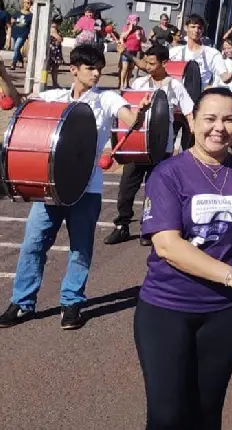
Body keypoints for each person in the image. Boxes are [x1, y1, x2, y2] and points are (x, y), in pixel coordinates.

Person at [134, 87, 232, 428]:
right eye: (210, 118)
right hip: (168, 308)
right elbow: (167, 245)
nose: (218, 127)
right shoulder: (169, 173)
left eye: (229, 119)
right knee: (167, 416)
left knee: (206, 413)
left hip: (228, 313)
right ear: (192, 121)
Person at [0, 45, 149, 330]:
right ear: (74, 70)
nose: (96, 73)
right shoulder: (54, 96)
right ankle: (22, 303)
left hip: (87, 188)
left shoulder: (106, 98)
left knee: (80, 249)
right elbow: (19, 103)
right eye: (91, 68)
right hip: (52, 186)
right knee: (33, 244)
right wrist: (4, 73)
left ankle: (72, 303)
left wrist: (140, 114)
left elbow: (130, 119)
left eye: (99, 68)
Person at [105, 43, 195, 246]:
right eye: (146, 61)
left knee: (155, 190)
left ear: (165, 63)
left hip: (161, 147)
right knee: (127, 187)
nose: (147, 66)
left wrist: (194, 134)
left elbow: (189, 112)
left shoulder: (174, 86)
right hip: (137, 144)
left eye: (152, 63)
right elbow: (125, 111)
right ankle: (122, 227)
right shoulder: (138, 83)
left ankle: (149, 229)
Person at [119, 15, 146, 89]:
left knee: (131, 68)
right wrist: (129, 30)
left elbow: (144, 40)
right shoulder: (126, 28)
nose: (136, 22)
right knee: (125, 68)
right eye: (134, 20)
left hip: (136, 51)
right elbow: (122, 37)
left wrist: (140, 36)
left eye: (137, 20)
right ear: (130, 21)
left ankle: (127, 83)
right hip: (126, 50)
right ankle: (122, 84)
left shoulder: (140, 29)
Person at [9, 0, 32, 70]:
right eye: (28, 3)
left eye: (30, 3)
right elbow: (11, 20)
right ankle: (21, 60)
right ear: (24, 3)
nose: (29, 4)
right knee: (16, 49)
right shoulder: (17, 13)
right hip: (15, 33)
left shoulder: (31, 15)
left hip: (23, 34)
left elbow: (31, 27)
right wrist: (13, 21)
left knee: (16, 47)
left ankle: (13, 63)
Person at [48, 15, 64, 88]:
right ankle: (53, 83)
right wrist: (60, 38)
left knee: (55, 68)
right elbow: (59, 38)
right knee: (52, 68)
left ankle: (55, 83)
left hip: (56, 50)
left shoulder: (55, 29)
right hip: (52, 51)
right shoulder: (53, 29)